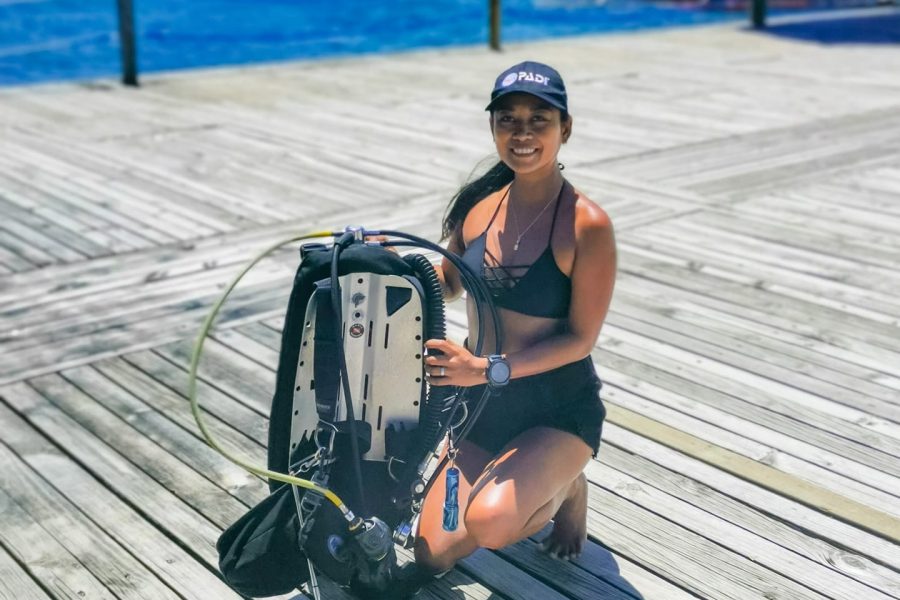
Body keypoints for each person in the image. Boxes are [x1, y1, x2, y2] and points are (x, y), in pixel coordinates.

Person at [409, 61, 617, 590]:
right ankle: (525, 478)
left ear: (565, 129)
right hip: (481, 408)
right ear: (493, 127)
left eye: (539, 119)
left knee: (492, 522)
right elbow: (448, 282)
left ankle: (568, 487)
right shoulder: (478, 208)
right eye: (508, 119)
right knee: (432, 553)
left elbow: (580, 340)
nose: (522, 133)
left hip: (556, 410)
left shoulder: (586, 225)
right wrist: (395, 265)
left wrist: (485, 368)